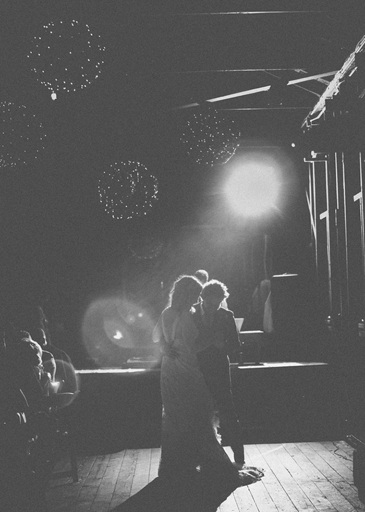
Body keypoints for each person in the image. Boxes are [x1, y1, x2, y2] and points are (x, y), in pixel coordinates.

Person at [151, 275, 263, 510]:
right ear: (192, 295)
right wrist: (211, 340)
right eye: (196, 296)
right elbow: (181, 343)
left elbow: (160, 338)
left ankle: (190, 463)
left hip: (183, 368)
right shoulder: (185, 314)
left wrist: (166, 347)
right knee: (193, 414)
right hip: (188, 369)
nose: (199, 300)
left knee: (196, 413)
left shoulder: (174, 313)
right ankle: (195, 462)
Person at [192, 279, 245, 468]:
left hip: (220, 368)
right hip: (196, 369)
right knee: (198, 412)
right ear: (201, 298)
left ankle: (239, 457)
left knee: (227, 410)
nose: (214, 307)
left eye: (217, 304)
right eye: (209, 303)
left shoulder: (226, 315)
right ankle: (198, 457)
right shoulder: (191, 314)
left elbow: (236, 345)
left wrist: (225, 346)